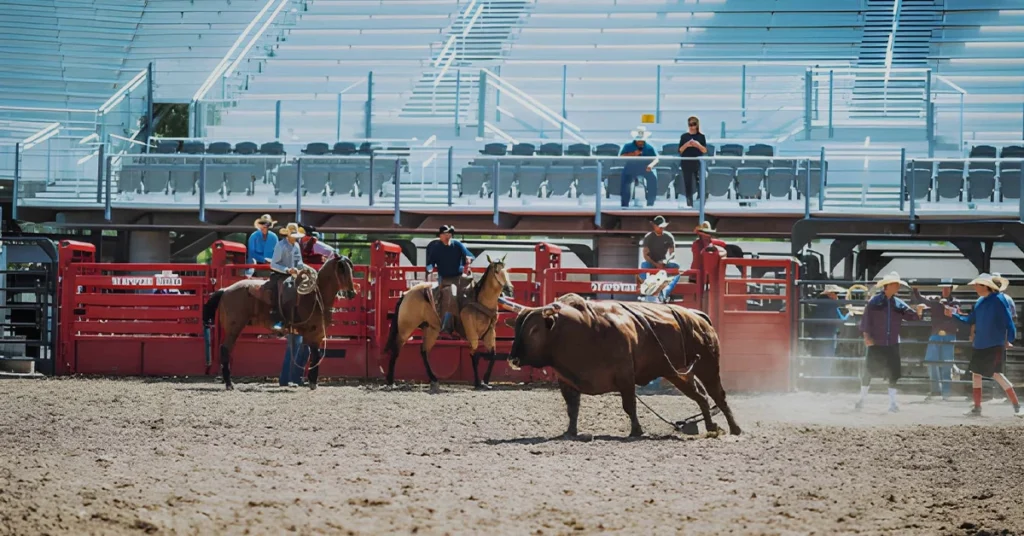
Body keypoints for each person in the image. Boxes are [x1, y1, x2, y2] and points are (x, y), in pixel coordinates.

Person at [945, 273, 1022, 417]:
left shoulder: (999, 300)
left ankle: (1017, 406)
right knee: (977, 374)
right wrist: (954, 315)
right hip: (981, 344)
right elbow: (969, 320)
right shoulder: (980, 301)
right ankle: (977, 408)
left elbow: (1008, 321)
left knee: (997, 374)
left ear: (985, 286)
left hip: (994, 344)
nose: (974, 287)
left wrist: (1010, 339)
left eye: (977, 284)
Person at [855, 272, 920, 413]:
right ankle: (862, 399)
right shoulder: (874, 302)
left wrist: (918, 312)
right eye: (895, 284)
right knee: (869, 371)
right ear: (887, 286)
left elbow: (912, 316)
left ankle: (892, 403)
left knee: (893, 373)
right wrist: (867, 336)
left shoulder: (897, 303)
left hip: (891, 342)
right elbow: (866, 319)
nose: (897, 287)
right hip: (877, 341)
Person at [911, 282, 960, 401]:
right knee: (932, 361)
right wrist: (915, 290)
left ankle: (945, 391)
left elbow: (955, 311)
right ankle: (937, 390)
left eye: (947, 288)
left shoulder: (955, 302)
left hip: (948, 334)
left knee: (946, 363)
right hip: (939, 333)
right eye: (943, 287)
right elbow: (921, 298)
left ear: (951, 289)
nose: (944, 290)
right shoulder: (935, 300)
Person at [425, 224, 474, 334]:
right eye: (445, 234)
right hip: (445, 278)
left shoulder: (457, 245)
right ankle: (447, 326)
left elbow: (469, 255)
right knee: (451, 295)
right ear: (440, 236)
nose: (448, 236)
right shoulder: (436, 248)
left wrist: (468, 259)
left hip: (459, 277)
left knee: (470, 292)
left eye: (449, 234)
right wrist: (430, 268)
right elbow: (430, 263)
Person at [267, 223, 308, 332]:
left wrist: (301, 268)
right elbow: (273, 264)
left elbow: (299, 261)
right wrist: (287, 270)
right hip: (279, 274)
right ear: (288, 235)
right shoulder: (280, 245)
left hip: (293, 274)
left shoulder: (297, 246)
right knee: (281, 290)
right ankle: (279, 318)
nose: (295, 238)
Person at [806, 284, 852, 379]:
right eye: (836, 293)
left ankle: (817, 378)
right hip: (828, 335)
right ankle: (824, 379)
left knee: (818, 358)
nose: (837, 296)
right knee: (827, 358)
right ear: (830, 294)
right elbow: (841, 320)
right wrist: (850, 313)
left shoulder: (818, 304)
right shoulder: (832, 306)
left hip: (817, 335)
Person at [619, 126, 659, 207]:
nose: (640, 142)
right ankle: (624, 204)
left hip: (645, 167)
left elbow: (656, 159)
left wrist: (651, 165)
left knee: (653, 179)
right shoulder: (628, 146)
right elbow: (622, 156)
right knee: (625, 182)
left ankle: (650, 203)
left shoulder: (649, 147)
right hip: (631, 167)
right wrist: (633, 154)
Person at [678, 116, 708, 208]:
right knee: (688, 182)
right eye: (690, 124)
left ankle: (700, 200)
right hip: (686, 162)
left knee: (699, 181)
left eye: (694, 124)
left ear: (697, 125)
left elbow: (704, 150)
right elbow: (680, 150)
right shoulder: (684, 136)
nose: (691, 126)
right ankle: (689, 202)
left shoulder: (701, 137)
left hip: (697, 162)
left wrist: (697, 145)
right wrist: (686, 145)